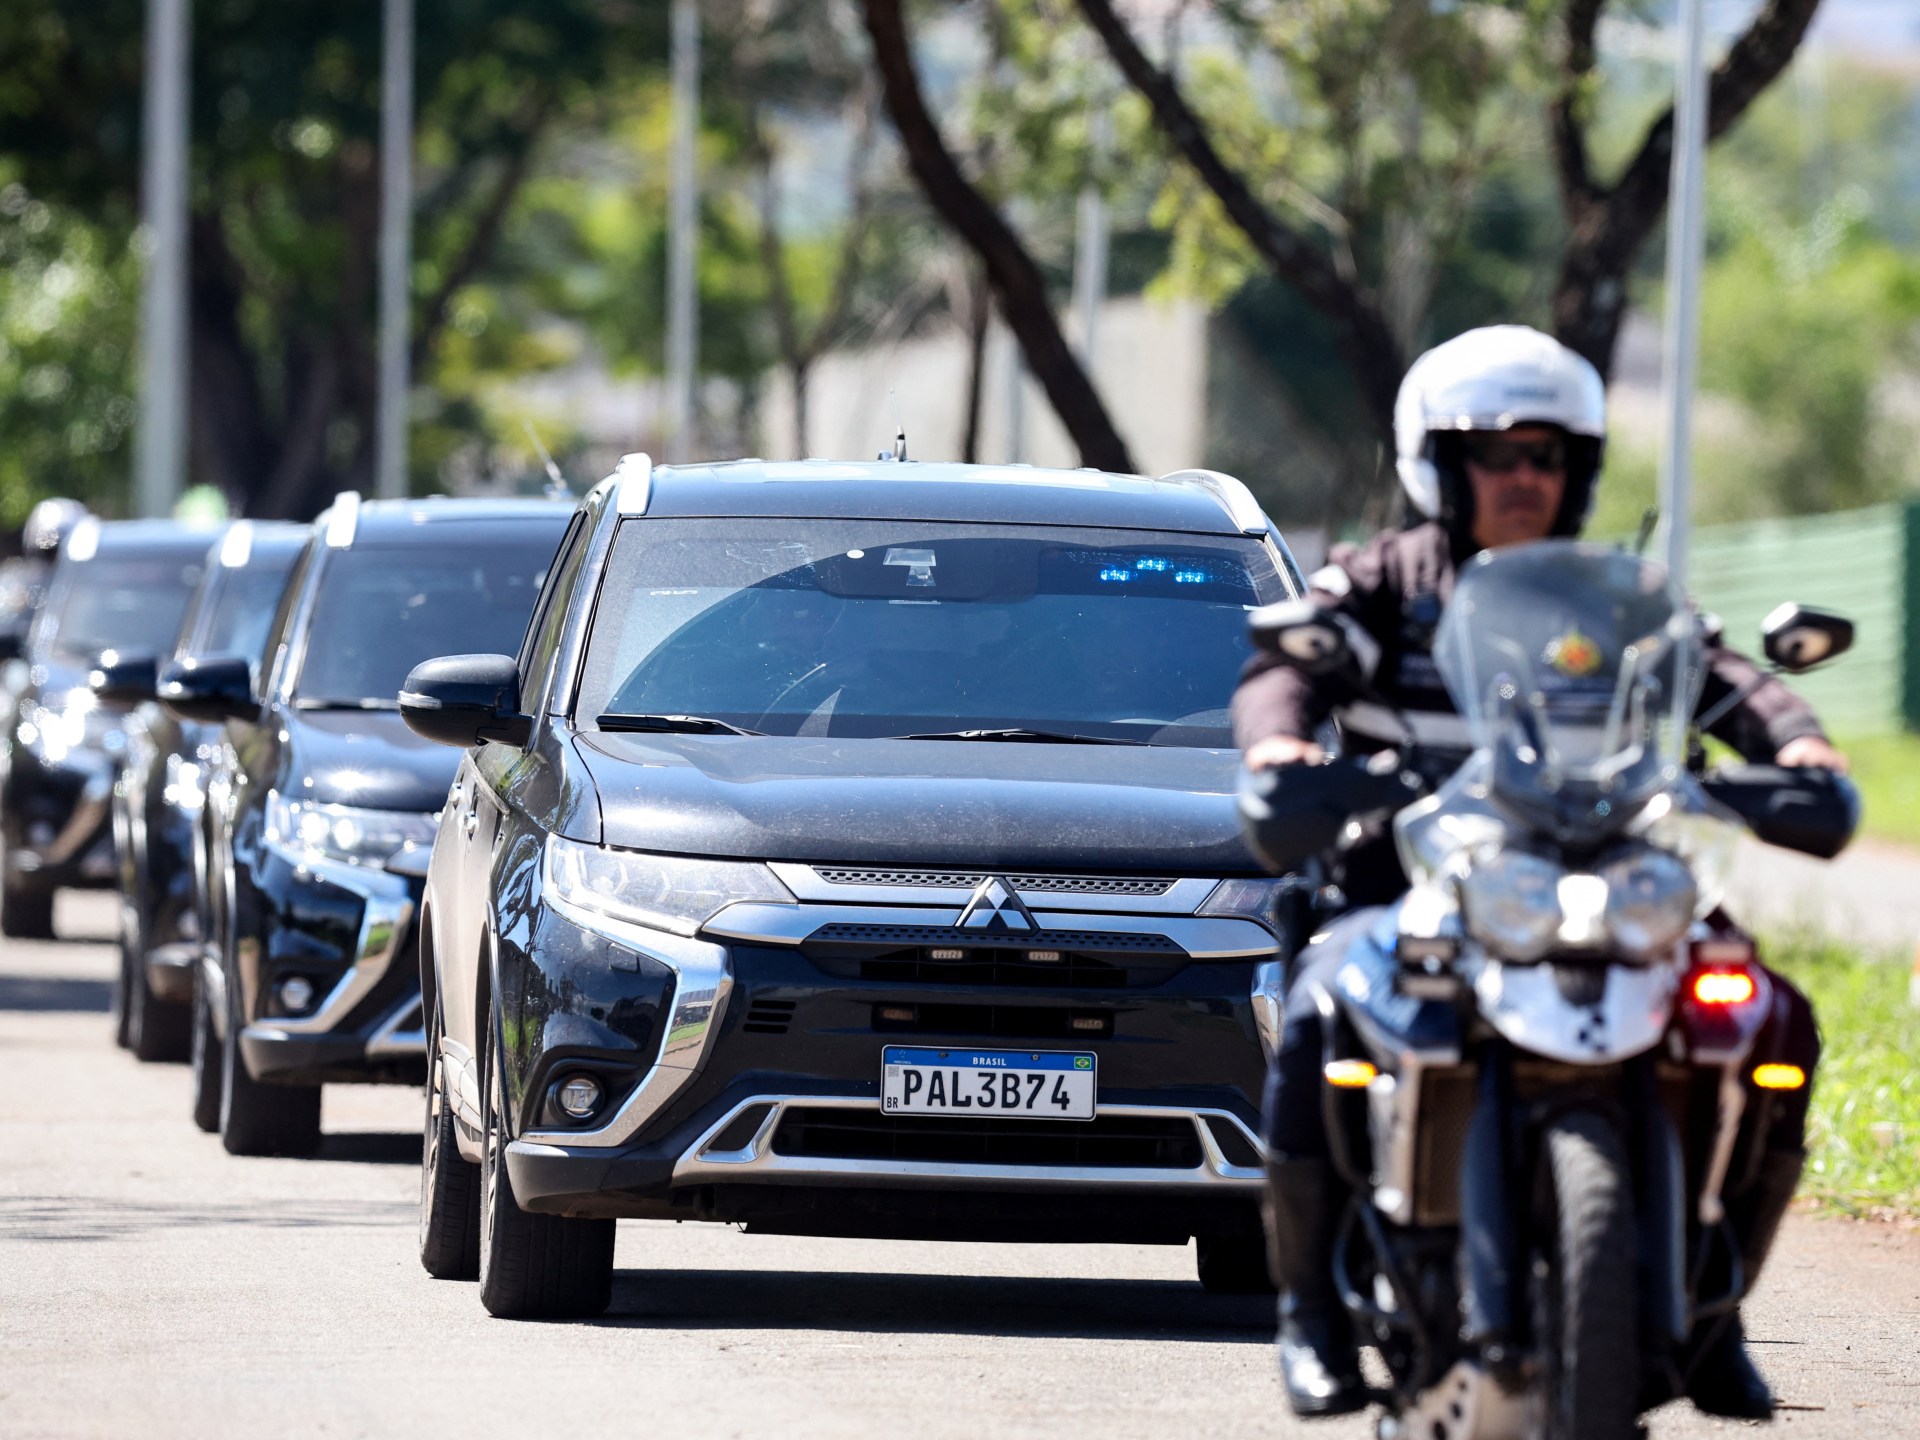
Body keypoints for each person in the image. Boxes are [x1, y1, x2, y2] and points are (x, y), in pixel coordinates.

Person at [1235, 325, 1837, 1420]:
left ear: (1579, 470)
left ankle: (1716, 1312)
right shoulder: (1383, 583)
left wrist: (1798, 748)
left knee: (1770, 1016)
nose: (1524, 476)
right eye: (1496, 453)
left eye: (1546, 456)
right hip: (1416, 880)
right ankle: (1309, 1315)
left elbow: (1721, 676)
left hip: (1609, 878)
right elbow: (1286, 668)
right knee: (1320, 1007)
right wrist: (1281, 745)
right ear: (1441, 463)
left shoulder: (1619, 601)